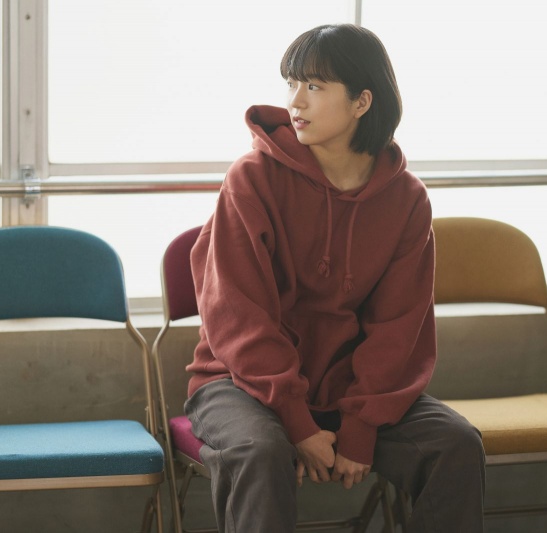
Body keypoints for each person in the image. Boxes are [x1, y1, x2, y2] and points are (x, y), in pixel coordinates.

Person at [185, 23, 485, 532]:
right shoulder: (251, 179)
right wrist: (298, 424)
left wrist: (361, 427)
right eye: (292, 83)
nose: (295, 101)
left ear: (362, 102)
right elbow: (237, 316)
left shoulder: (407, 199)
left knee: (455, 445)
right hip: (241, 384)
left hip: (352, 389)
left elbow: (399, 326)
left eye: (315, 86)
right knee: (261, 451)